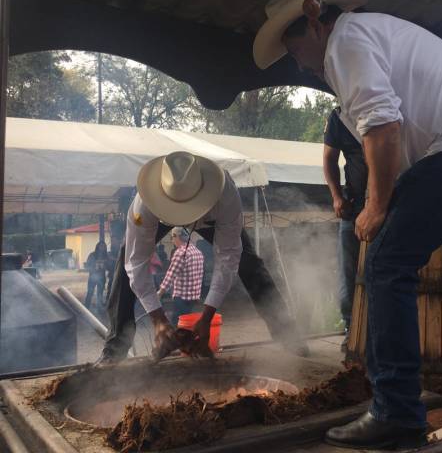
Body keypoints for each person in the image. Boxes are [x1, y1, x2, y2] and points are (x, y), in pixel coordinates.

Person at [254, 0, 442, 449]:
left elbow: (383, 127)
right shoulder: (372, 34)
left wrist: (377, 207)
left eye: (296, 50)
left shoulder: (345, 42)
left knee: (385, 263)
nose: (299, 64)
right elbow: (389, 135)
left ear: (315, 22)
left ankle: (395, 410)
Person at [96, 151, 309, 365]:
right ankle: (114, 349)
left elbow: (228, 258)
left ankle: (287, 333)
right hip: (160, 217)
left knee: (248, 262)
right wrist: (158, 319)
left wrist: (207, 317)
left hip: (210, 217)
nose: (182, 218)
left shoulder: (225, 194)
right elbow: (136, 264)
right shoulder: (144, 205)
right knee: (125, 263)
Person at [323, 107, 367, 351]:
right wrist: (337, 197)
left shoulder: (391, 105)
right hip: (353, 206)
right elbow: (329, 158)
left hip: (392, 204)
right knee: (348, 273)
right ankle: (352, 329)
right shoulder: (339, 116)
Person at [159, 227, 204, 326]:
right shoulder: (197, 252)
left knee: (177, 323)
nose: (172, 240)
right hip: (193, 296)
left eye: (172, 237)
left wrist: (160, 293)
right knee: (187, 322)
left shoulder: (181, 253)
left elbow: (170, 275)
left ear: (177, 237)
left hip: (182, 297)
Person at [84, 241, 108, 310]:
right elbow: (87, 265)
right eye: (101, 246)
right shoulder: (92, 255)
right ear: (97, 246)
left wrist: (104, 265)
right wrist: (94, 266)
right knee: (90, 292)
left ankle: (99, 308)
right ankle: (86, 308)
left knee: (100, 294)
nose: (102, 248)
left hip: (102, 278)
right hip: (92, 277)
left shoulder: (106, 256)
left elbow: (109, 266)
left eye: (104, 246)